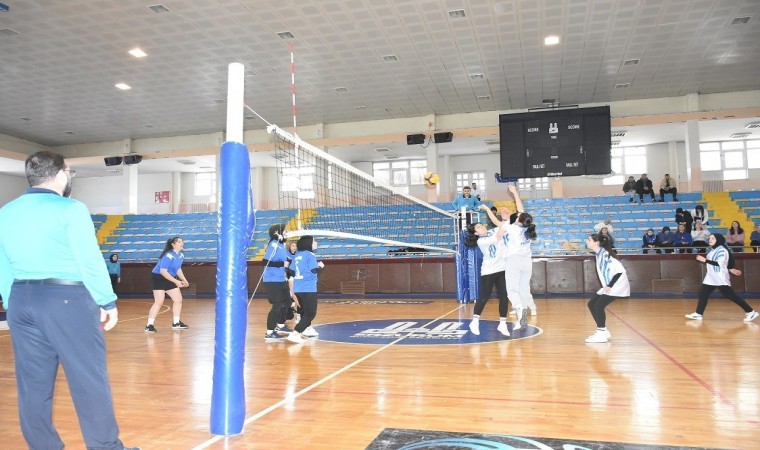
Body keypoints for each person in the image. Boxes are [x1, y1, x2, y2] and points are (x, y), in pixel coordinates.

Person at [0, 151, 139, 449]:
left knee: (32, 384)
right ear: (61, 174)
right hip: (66, 299)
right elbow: (89, 259)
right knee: (88, 378)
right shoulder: (71, 209)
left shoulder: (5, 212)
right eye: (70, 172)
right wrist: (107, 300)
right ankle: (105, 447)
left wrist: (12, 302)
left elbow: (2, 263)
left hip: (21, 298)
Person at [685, 233, 758, 323]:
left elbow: (720, 263)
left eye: (713, 238)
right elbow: (724, 262)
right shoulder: (713, 250)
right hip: (711, 277)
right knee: (703, 293)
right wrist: (730, 268)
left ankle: (751, 312)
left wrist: (705, 260)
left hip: (720, 276)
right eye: (710, 238)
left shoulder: (722, 250)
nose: (710, 240)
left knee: (731, 295)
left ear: (718, 240)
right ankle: (698, 314)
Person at [501, 185, 538, 329]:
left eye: (516, 216)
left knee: (512, 290)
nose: (515, 215)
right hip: (527, 261)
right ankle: (526, 308)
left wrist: (505, 218)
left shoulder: (512, 228)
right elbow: (520, 208)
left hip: (514, 260)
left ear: (519, 220)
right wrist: (515, 193)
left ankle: (519, 308)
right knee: (523, 288)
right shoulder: (527, 227)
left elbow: (500, 227)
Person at [466, 219, 510, 337]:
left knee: (504, 297)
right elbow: (499, 235)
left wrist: (505, 219)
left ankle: (503, 324)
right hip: (489, 271)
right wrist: (503, 223)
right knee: (484, 297)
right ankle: (474, 322)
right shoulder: (481, 241)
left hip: (502, 269)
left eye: (481, 225)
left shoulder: (491, 232)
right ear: (476, 233)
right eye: (478, 227)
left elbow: (503, 227)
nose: (482, 227)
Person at [584, 233, 630, 343]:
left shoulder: (606, 255)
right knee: (592, 304)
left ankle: (601, 334)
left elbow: (619, 271)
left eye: (589, 240)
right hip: (609, 284)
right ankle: (603, 331)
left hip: (616, 284)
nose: (586, 241)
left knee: (598, 305)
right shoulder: (599, 254)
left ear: (596, 243)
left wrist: (610, 285)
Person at [145, 236, 190, 332]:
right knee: (159, 301)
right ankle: (149, 325)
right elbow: (163, 271)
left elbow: (178, 269)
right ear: (173, 244)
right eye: (179, 242)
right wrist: (176, 281)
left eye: (182, 241)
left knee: (178, 300)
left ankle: (176, 323)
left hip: (169, 277)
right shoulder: (168, 255)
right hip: (158, 278)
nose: (182, 243)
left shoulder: (181, 255)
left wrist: (184, 280)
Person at [287, 236, 324, 343]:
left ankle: (306, 329)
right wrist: (320, 266)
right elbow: (314, 270)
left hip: (298, 288)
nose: (316, 242)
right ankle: (296, 333)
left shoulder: (297, 255)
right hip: (308, 288)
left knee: (304, 312)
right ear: (309, 243)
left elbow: (291, 271)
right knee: (311, 313)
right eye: (314, 241)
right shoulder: (310, 255)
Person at [262, 224, 293, 341]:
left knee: (288, 301)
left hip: (281, 278)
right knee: (277, 304)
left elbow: (285, 259)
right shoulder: (273, 245)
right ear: (277, 233)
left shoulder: (282, 244)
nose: (287, 233)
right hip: (272, 280)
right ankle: (269, 332)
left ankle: (280, 325)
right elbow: (265, 262)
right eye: (285, 231)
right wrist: (282, 264)